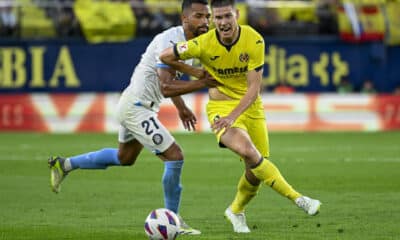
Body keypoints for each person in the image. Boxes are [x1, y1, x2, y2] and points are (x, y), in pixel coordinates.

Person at [48, 0, 216, 235]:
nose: (205, 22)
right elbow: (166, 86)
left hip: (135, 103)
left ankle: (65, 164)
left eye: (207, 17)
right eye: (199, 16)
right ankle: (173, 221)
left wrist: (181, 107)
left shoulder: (188, 46)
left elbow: (167, 81)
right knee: (174, 156)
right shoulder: (169, 40)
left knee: (124, 157)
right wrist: (201, 82)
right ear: (184, 19)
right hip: (137, 107)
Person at [160, 0, 321, 233]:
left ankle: (235, 211)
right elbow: (166, 56)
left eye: (227, 17)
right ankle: (299, 199)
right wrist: (196, 73)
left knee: (255, 171)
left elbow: (254, 88)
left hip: (250, 108)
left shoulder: (253, 39)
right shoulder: (202, 43)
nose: (223, 23)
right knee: (248, 152)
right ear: (213, 20)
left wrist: (234, 116)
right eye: (218, 18)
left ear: (236, 15)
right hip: (220, 109)